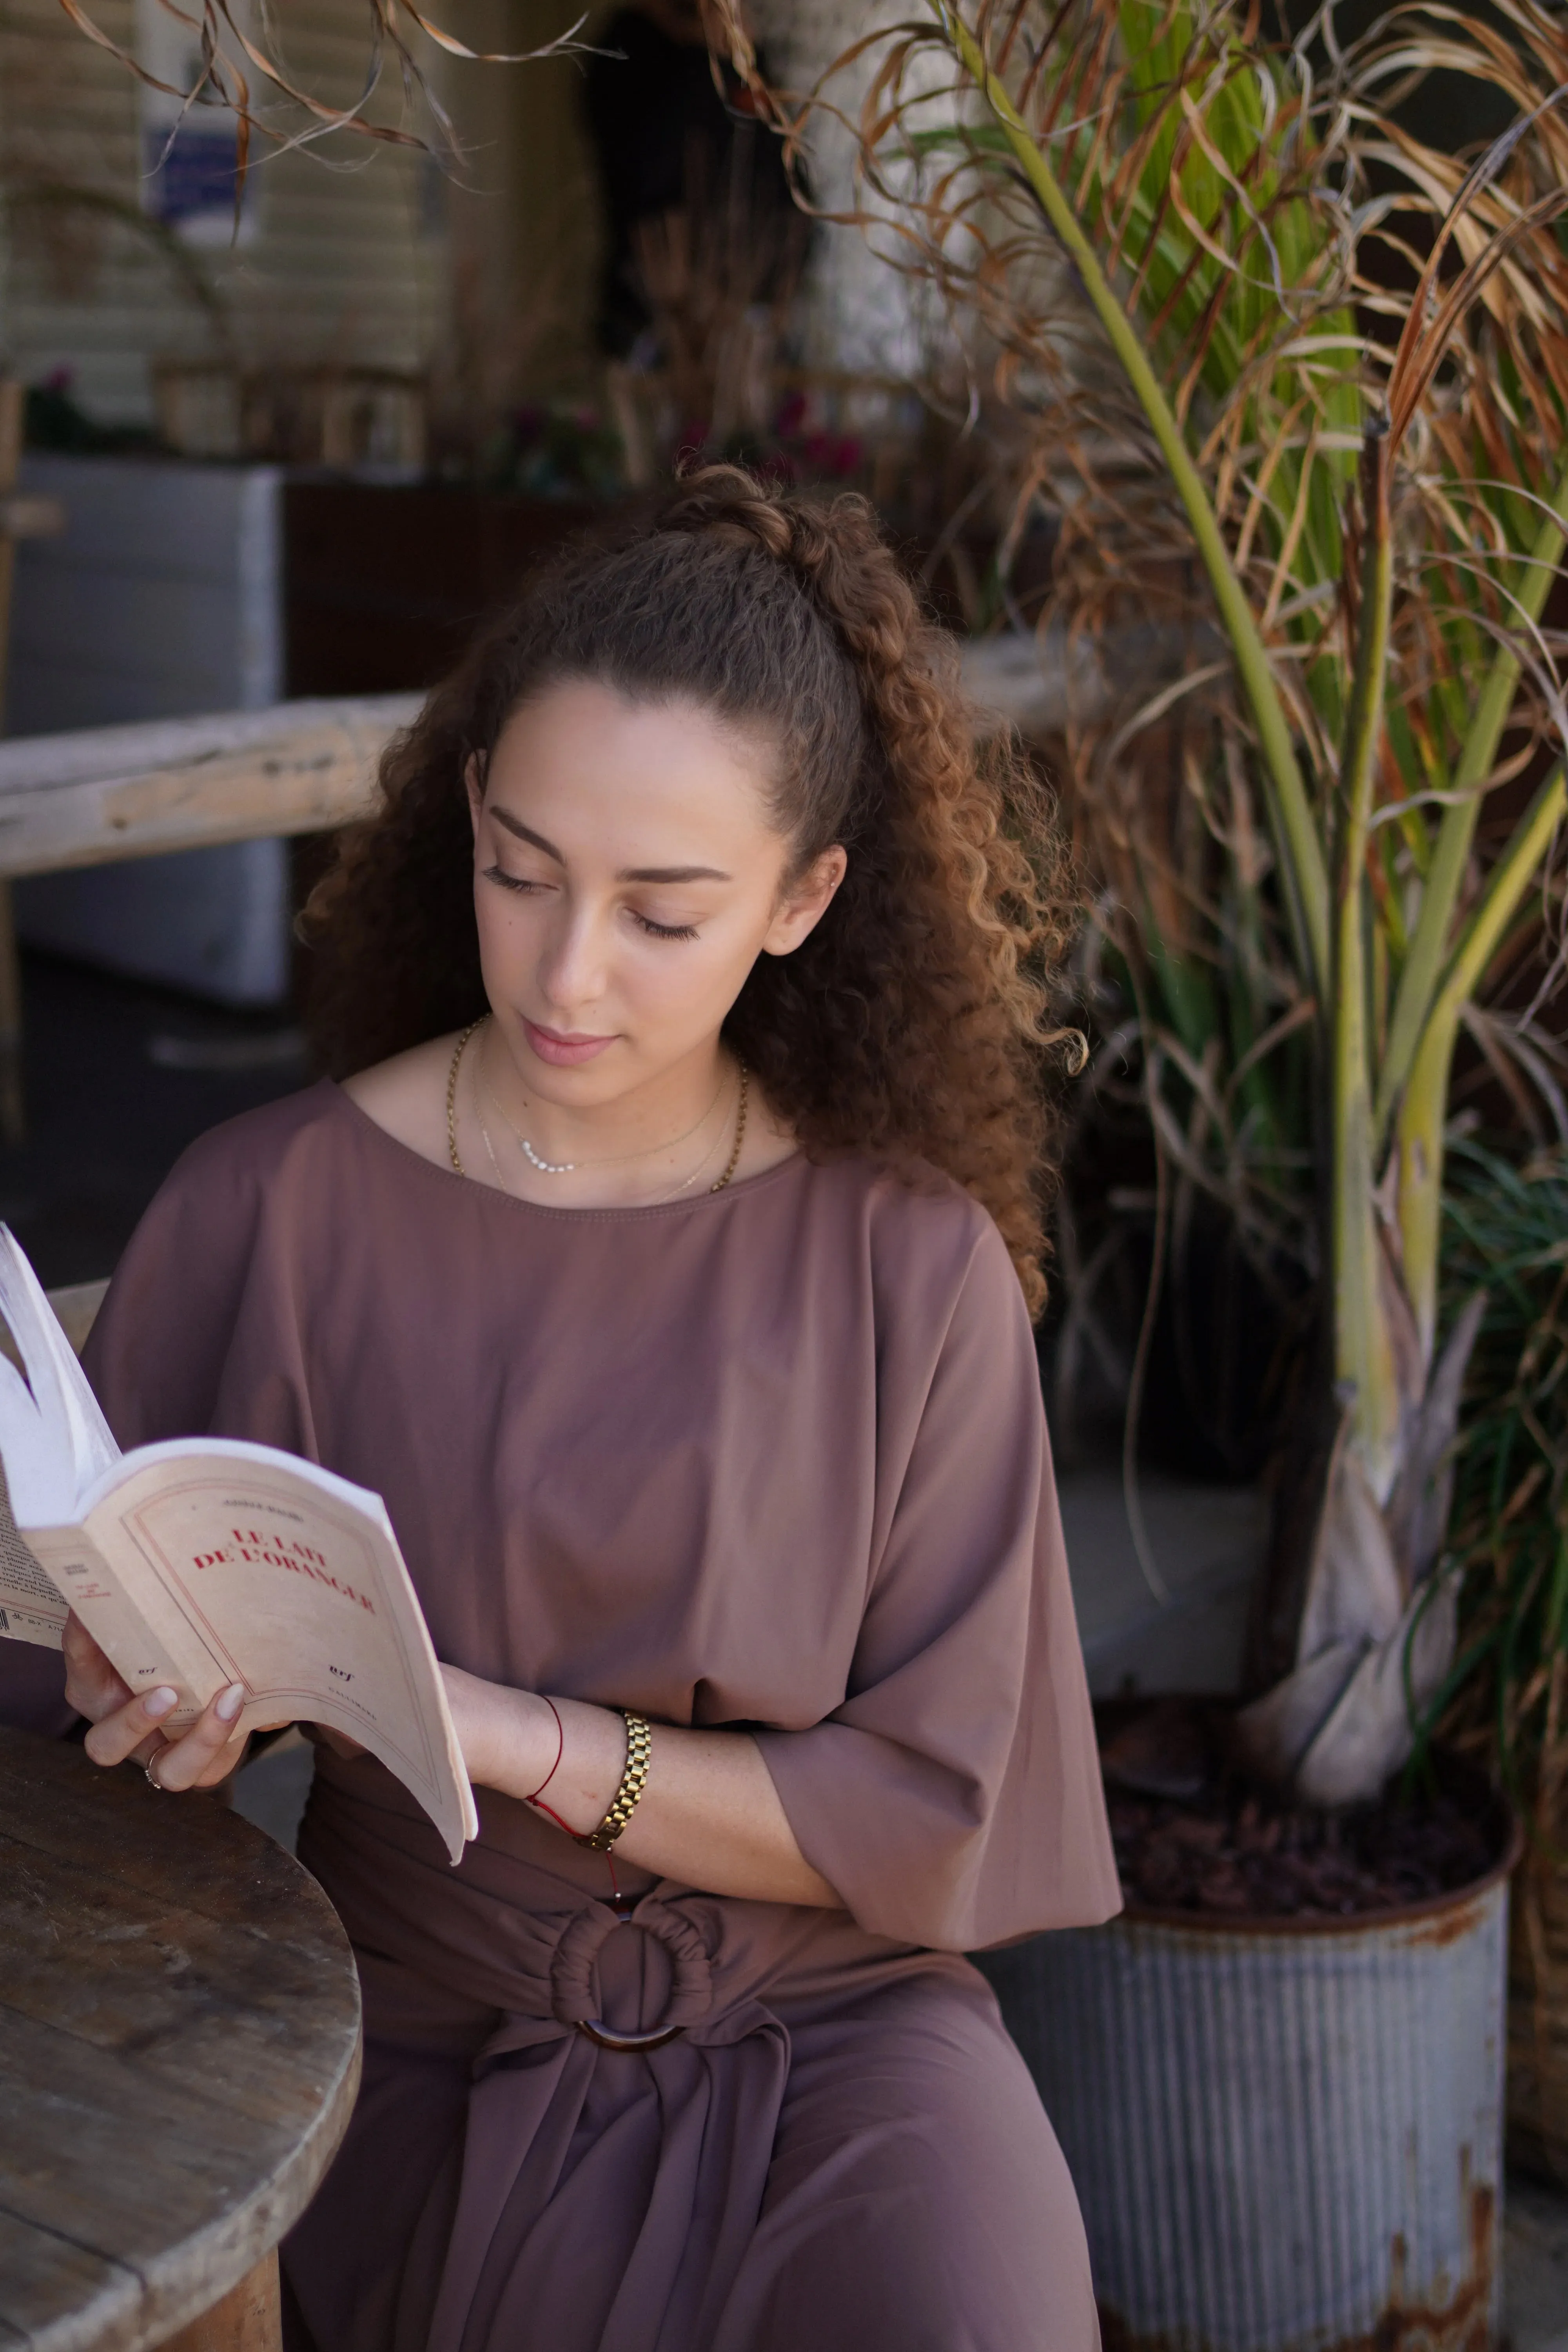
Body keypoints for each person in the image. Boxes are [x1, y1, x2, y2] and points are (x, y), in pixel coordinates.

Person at [64, 467, 1121, 2352]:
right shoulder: (266, 1208)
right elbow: (80, 1723)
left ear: (802, 901)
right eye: (523, 870)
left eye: (663, 912)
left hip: (844, 2052)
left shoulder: (914, 1269)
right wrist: (161, 1734)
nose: (566, 972)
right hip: (397, 2037)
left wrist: (512, 1739)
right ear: (467, 812)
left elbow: (925, 1816)